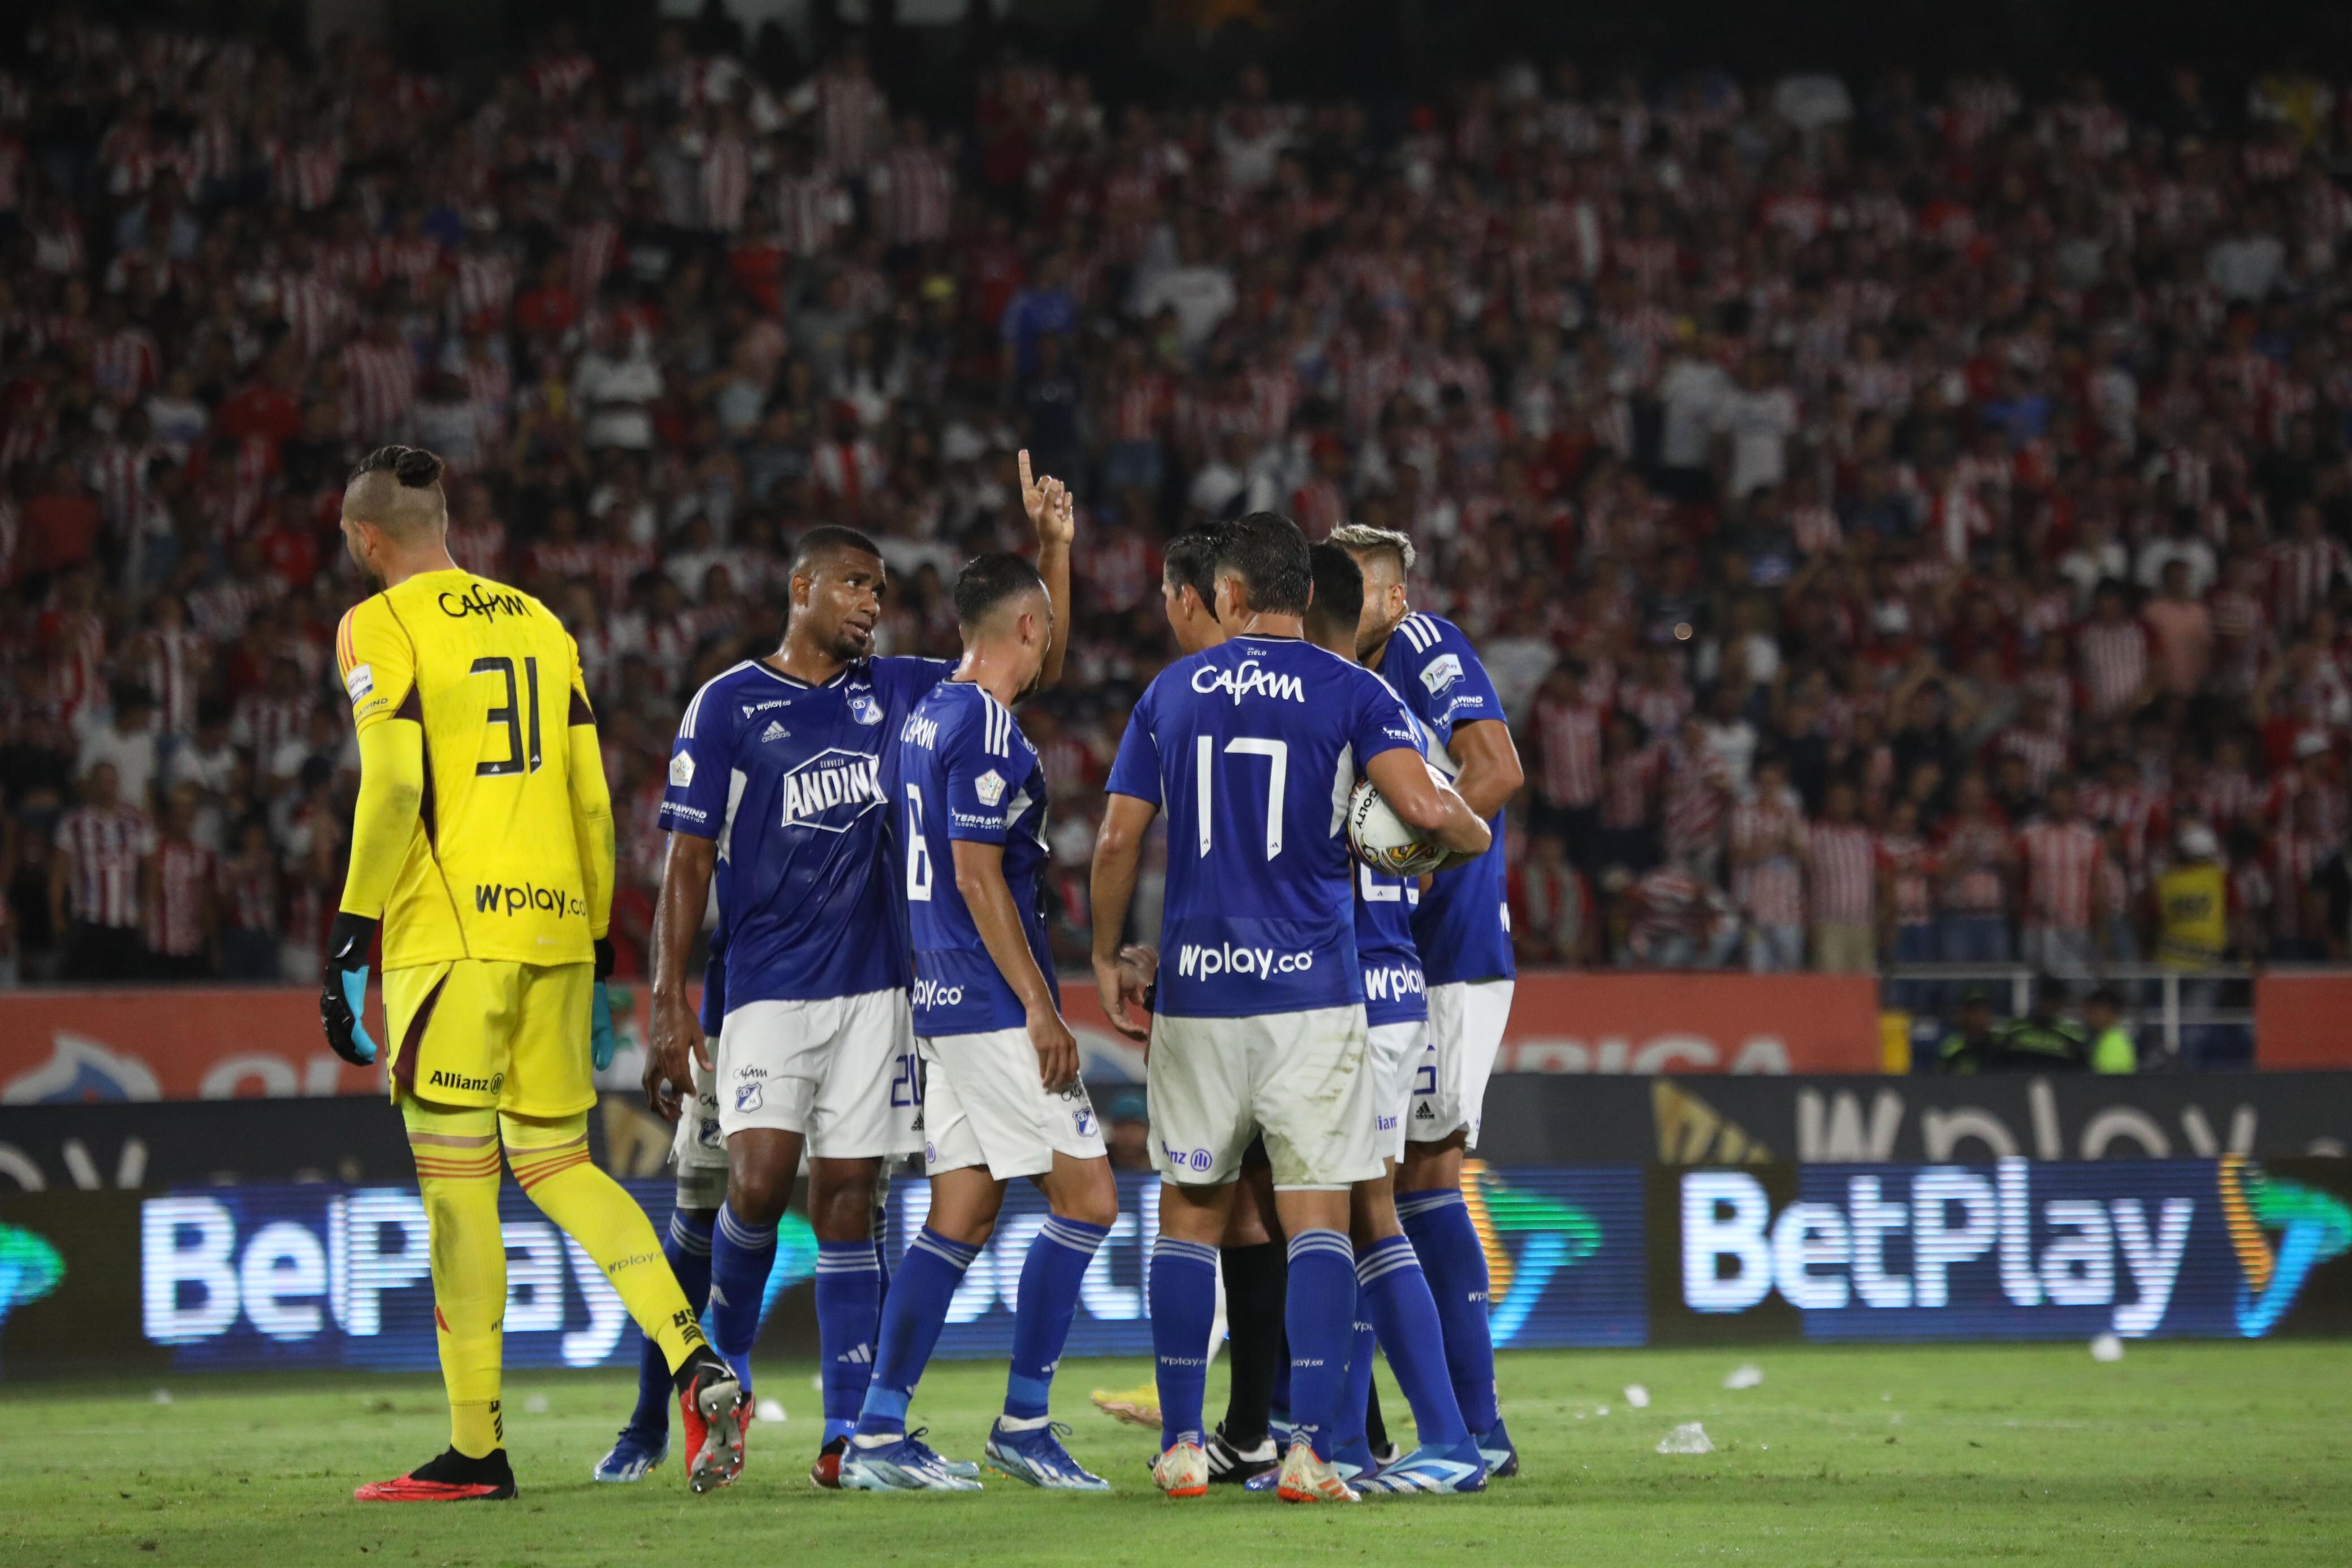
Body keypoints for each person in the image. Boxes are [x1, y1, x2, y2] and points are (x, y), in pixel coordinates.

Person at [613, 454, 1072, 1491]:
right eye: (856, 584)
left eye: (881, 589)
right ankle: (709, 1392)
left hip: (878, 989)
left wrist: (1050, 551)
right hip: (763, 987)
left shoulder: (902, 689)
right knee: (756, 1182)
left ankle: (845, 1434)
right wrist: (666, 1002)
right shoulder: (729, 704)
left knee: (851, 1199)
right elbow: (686, 859)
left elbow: (1026, 659)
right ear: (803, 588)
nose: (873, 603)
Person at [321, 445, 742, 1503]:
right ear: (444, 520)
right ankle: (694, 1359)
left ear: (368, 537)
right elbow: (593, 798)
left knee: (460, 1194)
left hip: (451, 940)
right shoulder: (539, 621)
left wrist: (350, 931)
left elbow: (394, 781)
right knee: (562, 1167)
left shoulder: (378, 622)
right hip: (557, 928)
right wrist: (595, 939)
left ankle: (476, 1449)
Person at [1089, 512, 1491, 1504]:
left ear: (1226, 596)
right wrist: (1459, 835)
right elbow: (1436, 814)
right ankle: (1312, 1449)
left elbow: (1112, 840)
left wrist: (1105, 956)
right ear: (1305, 595)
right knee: (1322, 1213)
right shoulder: (1353, 690)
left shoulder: (1169, 691)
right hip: (1312, 993)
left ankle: (1186, 1442)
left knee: (1189, 1210)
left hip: (1200, 990)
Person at [839, 551, 1113, 1491]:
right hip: (995, 1002)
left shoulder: (927, 718)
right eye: (1046, 629)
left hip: (938, 996)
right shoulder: (989, 728)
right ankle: (1025, 1421)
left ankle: (877, 1430)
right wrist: (1042, 1004)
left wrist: (1053, 555)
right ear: (1028, 628)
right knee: (1089, 1199)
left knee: (962, 1207)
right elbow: (975, 872)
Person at [1332, 522, 1527, 1482]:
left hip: (1448, 953)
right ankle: (1373, 1431)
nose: (1347, 597)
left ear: (1396, 597)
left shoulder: (1425, 647)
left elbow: (1496, 769)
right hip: (1395, 957)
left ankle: (1473, 1428)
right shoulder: (1333, 667)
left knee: (1418, 1181)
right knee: (1391, 1182)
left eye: (1361, 586)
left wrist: (1415, 861)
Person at [2082, 985, 2139, 1074]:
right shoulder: (2102, 1039)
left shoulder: (2116, 1043)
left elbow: (2112, 1084)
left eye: (2097, 1011)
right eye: (2089, 1011)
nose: (2091, 1016)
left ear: (2114, 1014)